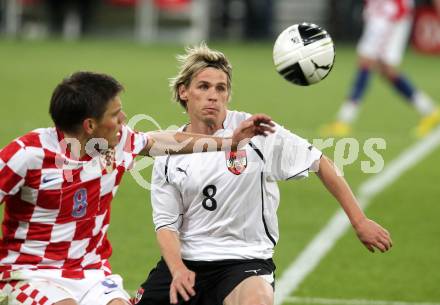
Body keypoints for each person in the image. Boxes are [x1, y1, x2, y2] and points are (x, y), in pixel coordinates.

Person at [134, 43, 392, 305]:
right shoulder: (170, 150)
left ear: (228, 95)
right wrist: (178, 269)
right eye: (204, 86)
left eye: (220, 88)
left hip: (244, 263)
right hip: (187, 261)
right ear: (184, 91)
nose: (213, 95)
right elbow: (166, 226)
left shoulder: (255, 132)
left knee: (257, 301)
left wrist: (359, 221)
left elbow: (320, 162)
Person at [0, 71, 274, 305]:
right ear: (90, 125)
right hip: (29, 272)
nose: (124, 120)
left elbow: (161, 141)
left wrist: (230, 142)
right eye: (116, 115)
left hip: (91, 272)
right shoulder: (27, 154)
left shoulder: (117, 143)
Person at [321, 0, 440, 138]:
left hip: (389, 12)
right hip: (381, 10)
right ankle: (429, 110)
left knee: (366, 61)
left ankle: (343, 120)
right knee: (386, 70)